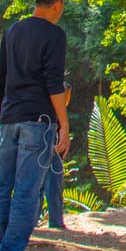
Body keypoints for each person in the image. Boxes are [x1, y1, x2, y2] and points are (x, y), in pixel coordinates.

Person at [0, 0, 70, 251]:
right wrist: (63, 125)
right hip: (38, 120)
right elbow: (54, 82)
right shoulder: (55, 35)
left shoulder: (13, 31)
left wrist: (0, 112)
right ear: (57, 4)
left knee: (1, 184)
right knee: (27, 189)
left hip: (9, 118)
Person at [38, 82, 72, 230]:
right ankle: (39, 221)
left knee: (52, 186)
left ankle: (55, 221)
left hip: (54, 150)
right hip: (45, 148)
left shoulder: (58, 112)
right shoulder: (45, 109)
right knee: (42, 186)